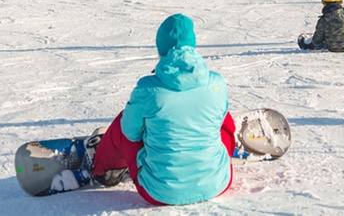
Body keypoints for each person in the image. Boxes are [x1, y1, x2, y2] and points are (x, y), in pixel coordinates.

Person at [90, 14, 235, 205]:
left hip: (160, 192)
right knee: (221, 115)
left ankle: (104, 170)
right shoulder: (216, 82)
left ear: (161, 48)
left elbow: (130, 134)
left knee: (124, 121)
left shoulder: (148, 89)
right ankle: (218, 153)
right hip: (218, 183)